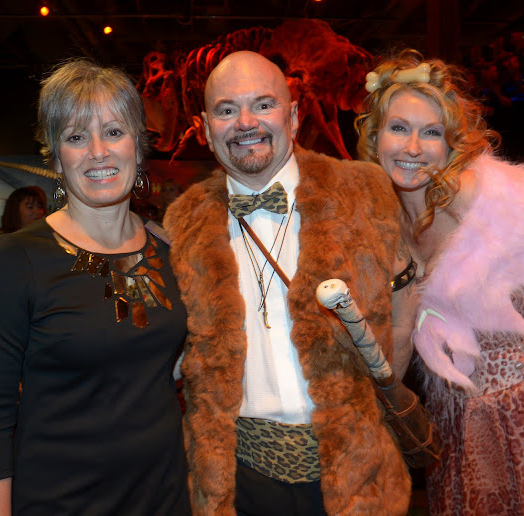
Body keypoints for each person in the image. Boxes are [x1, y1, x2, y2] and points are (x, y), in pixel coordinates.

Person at [356, 47, 524, 515]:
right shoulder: (385, 220)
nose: (413, 148)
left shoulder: (479, 198)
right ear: (375, 137)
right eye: (399, 128)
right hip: (457, 423)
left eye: (431, 133)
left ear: (451, 145)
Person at [164, 51, 412, 515]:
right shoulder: (182, 223)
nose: (245, 122)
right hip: (238, 478)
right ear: (206, 128)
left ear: (294, 117)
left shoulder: (365, 192)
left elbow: (417, 287)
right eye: (226, 109)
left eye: (263, 104)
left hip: (357, 470)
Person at [0, 59, 191, 515]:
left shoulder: (173, 254)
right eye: (75, 137)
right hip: (61, 502)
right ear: (55, 155)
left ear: (138, 146)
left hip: (167, 500)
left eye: (113, 132)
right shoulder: (14, 260)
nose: (98, 152)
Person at [0, 186, 46, 253]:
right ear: (15, 210)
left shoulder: (44, 240)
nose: (38, 211)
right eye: (30, 207)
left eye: (40, 207)